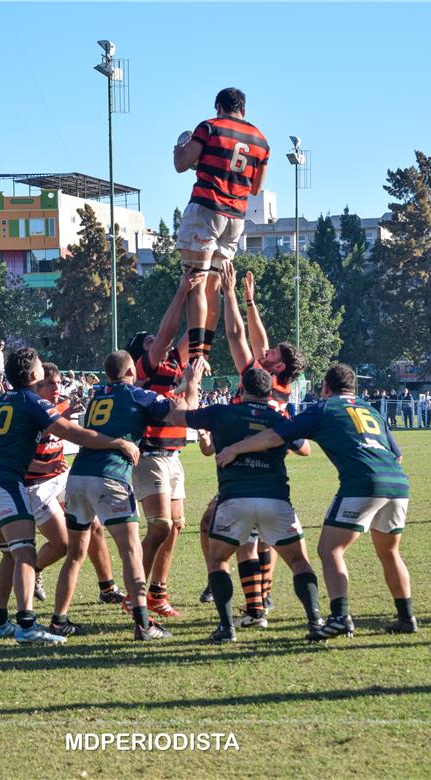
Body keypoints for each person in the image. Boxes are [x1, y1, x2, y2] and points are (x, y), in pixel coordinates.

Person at [218, 363, 416, 637]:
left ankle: (340, 617)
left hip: (362, 483)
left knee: (330, 549)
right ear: (353, 387)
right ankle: (406, 617)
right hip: (398, 483)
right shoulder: (370, 409)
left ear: (325, 387)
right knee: (390, 553)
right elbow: (397, 454)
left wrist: (235, 448)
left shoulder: (324, 408)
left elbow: (275, 436)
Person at [0, 346, 141, 645]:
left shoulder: (3, 399)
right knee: (25, 554)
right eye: (40, 365)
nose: (44, 367)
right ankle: (27, 625)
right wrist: (118, 443)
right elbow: (74, 433)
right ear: (33, 373)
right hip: (6, 484)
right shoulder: (31, 401)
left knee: (11, 555)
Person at [49, 350, 200, 641]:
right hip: (111, 477)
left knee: (75, 554)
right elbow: (186, 413)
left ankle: (59, 620)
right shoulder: (138, 395)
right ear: (131, 371)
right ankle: (143, 625)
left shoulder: (97, 395)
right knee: (131, 551)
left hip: (78, 477)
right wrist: (191, 383)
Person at [173, 365, 324, 643]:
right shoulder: (278, 417)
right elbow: (304, 448)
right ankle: (315, 622)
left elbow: (178, 416)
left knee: (218, 560)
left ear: (241, 388)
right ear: (270, 393)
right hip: (275, 499)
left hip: (234, 499)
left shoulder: (222, 412)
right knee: (299, 561)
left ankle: (226, 628)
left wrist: (190, 387)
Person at [128, 269, 206, 619]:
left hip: (173, 455)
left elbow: (198, 330)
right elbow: (167, 332)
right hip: (151, 454)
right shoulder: (145, 368)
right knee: (159, 525)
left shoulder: (176, 361)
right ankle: (135, 593)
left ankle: (157, 593)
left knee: (175, 527)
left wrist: (205, 286)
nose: (154, 341)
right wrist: (181, 289)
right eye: (147, 341)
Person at [172, 86, 270, 363]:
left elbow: (182, 164)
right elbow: (256, 188)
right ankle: (204, 352)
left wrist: (179, 150)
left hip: (207, 209)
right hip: (236, 218)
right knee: (213, 286)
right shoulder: (261, 141)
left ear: (218, 107)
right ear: (243, 109)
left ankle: (195, 355)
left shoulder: (209, 127)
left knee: (196, 281)